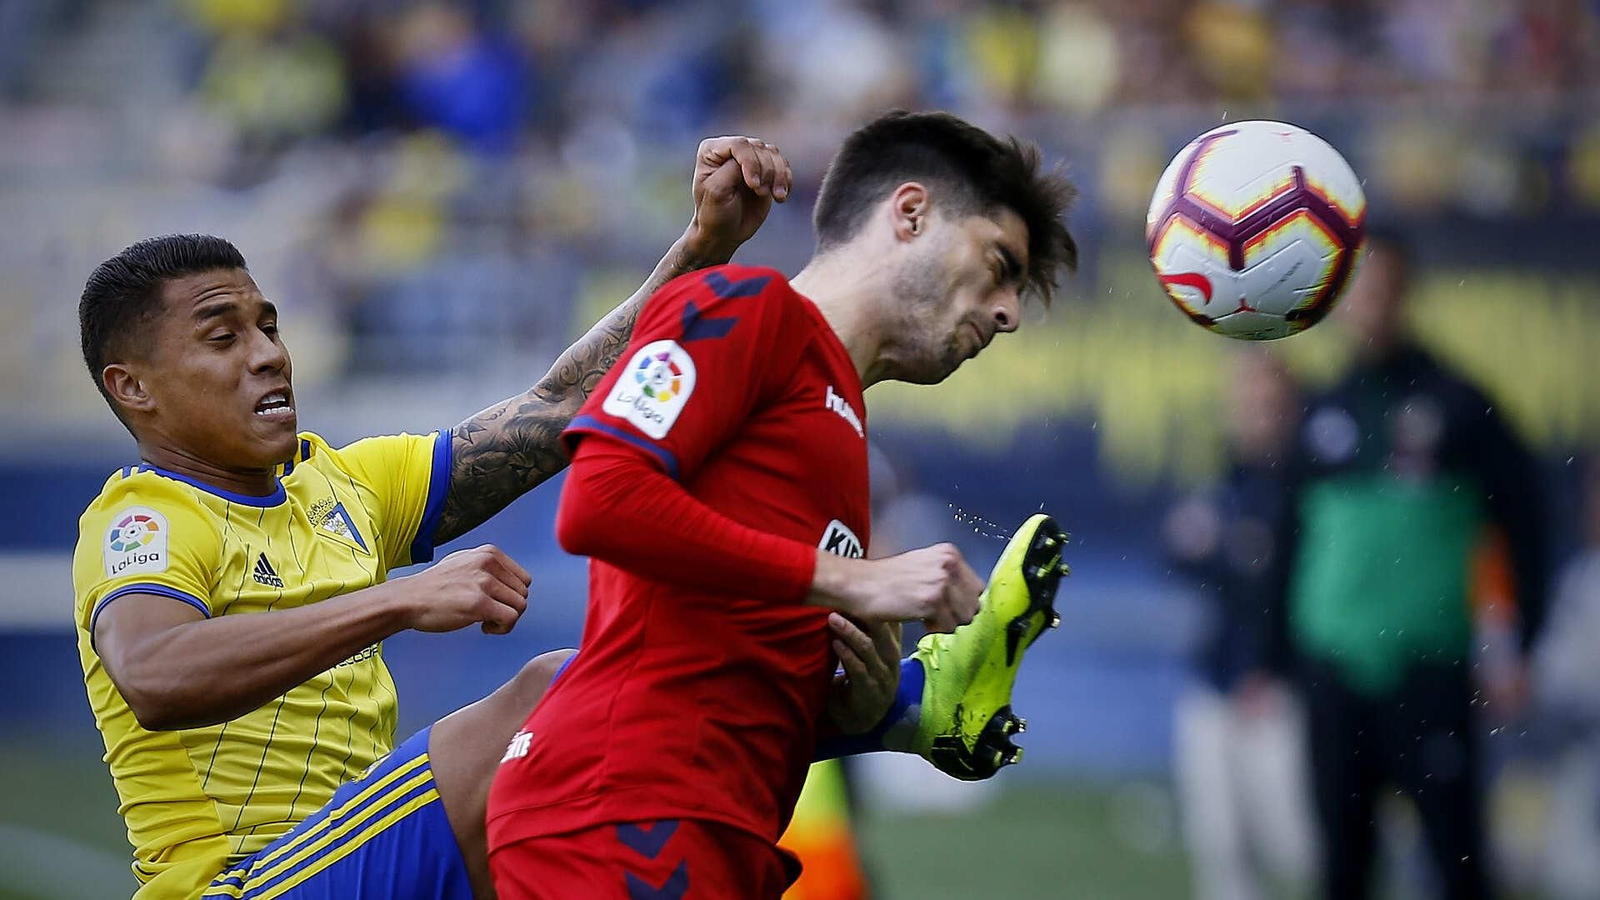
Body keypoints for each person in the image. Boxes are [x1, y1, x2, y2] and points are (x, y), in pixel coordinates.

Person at [71, 136, 1058, 900]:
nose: (267, 355)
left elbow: (556, 412)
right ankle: (915, 709)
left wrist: (701, 248)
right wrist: (397, 601)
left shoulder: (349, 487)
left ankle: (900, 710)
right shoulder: (146, 521)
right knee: (551, 693)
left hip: (390, 868)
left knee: (576, 734)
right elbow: (155, 676)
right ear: (135, 389)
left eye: (269, 326)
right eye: (222, 337)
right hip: (244, 884)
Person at [485, 110, 1079, 899]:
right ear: (910, 214)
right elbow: (598, 501)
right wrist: (857, 581)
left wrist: (850, 707)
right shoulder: (747, 305)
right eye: (999, 264)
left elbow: (718, 660)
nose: (1007, 311)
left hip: (712, 830)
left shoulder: (838, 422)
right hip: (625, 812)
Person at [1270, 230, 1548, 900]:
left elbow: (1526, 522)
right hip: (1334, 671)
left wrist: (1518, 643)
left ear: (1406, 293)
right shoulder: (1320, 408)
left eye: (1383, 287)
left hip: (1431, 668)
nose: (1371, 304)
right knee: (1341, 862)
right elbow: (1285, 541)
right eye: (1358, 290)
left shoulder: (1459, 404)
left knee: (1457, 861)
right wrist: (1277, 658)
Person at [1165, 350, 1316, 900]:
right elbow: (1178, 549)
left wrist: (1263, 667)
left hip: (1278, 682)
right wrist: (1228, 552)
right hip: (1216, 678)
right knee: (1220, 847)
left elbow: (1277, 582)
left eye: (1269, 403)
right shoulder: (1229, 473)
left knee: (1298, 845)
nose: (1256, 415)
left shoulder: (1307, 483)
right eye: (1247, 402)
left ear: (1292, 408)